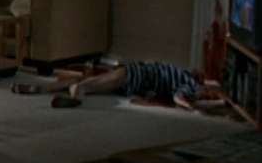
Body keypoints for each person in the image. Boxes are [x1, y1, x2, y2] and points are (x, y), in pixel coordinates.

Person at [11, 61, 214, 109]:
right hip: (133, 81)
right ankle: (41, 88)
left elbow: (179, 97)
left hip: (133, 75)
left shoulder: (188, 83)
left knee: (86, 84)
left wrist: (191, 105)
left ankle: (76, 97)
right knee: (89, 81)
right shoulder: (183, 76)